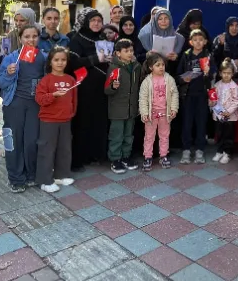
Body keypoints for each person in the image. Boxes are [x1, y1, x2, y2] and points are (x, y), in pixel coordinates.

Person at [0, 24, 46, 192]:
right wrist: (9, 74)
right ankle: (16, 178)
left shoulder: (44, 57)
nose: (31, 40)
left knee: (32, 141)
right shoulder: (11, 58)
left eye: (34, 36)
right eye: (27, 36)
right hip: (14, 104)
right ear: (20, 39)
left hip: (35, 106)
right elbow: (0, 83)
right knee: (13, 140)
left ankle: (32, 174)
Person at [65, 9, 110, 171]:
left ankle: (95, 154)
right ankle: (80, 158)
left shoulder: (103, 38)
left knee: (98, 121)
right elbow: (73, 63)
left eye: (99, 20)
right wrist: (95, 59)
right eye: (93, 21)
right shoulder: (77, 39)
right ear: (86, 22)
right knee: (82, 122)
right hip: (84, 88)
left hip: (101, 88)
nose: (97, 24)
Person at [34, 47, 77, 193]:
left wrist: (71, 113)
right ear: (50, 62)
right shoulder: (46, 80)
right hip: (48, 121)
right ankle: (44, 180)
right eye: (56, 60)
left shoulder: (71, 79)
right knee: (47, 150)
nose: (60, 63)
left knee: (64, 149)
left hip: (65, 120)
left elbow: (74, 100)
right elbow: (39, 99)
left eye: (63, 60)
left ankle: (61, 174)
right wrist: (53, 95)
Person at [104, 39, 143, 174]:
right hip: (117, 109)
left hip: (131, 108)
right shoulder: (114, 68)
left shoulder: (136, 67)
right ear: (118, 53)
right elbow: (107, 90)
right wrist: (113, 87)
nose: (129, 53)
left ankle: (126, 156)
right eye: (126, 51)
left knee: (128, 135)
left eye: (131, 51)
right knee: (116, 135)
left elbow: (138, 86)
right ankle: (115, 159)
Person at [139, 53, 178, 171]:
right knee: (149, 136)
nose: (161, 67)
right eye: (158, 65)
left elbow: (174, 94)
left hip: (165, 114)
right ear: (151, 67)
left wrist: (174, 109)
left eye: (163, 65)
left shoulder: (169, 79)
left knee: (164, 135)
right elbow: (143, 98)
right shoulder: (147, 81)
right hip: (151, 114)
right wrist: (144, 113)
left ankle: (163, 155)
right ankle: (148, 157)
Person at [178, 30, 212, 164]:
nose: (198, 42)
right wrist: (183, 79)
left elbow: (213, 76)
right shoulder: (186, 55)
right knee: (187, 123)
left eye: (200, 39)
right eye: (195, 40)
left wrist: (208, 73)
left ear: (205, 42)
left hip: (202, 95)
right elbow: (178, 75)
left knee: (201, 122)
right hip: (188, 95)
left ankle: (200, 150)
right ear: (190, 42)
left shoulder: (208, 55)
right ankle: (186, 150)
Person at [211, 60, 238, 165]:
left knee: (228, 135)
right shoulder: (217, 85)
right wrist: (211, 103)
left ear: (232, 74)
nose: (226, 75)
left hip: (229, 116)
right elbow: (213, 99)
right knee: (219, 133)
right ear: (220, 73)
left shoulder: (234, 86)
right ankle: (219, 151)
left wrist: (228, 111)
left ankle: (227, 153)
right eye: (224, 73)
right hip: (218, 115)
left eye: (229, 73)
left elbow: (237, 101)